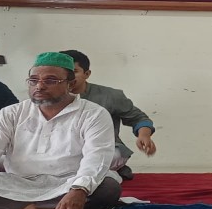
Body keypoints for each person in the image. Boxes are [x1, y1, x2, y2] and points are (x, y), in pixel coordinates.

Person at [0, 52, 120, 209]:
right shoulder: (11, 113)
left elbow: (96, 156)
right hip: (19, 183)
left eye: (50, 81)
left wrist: (79, 189)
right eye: (33, 80)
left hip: (68, 183)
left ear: (71, 83)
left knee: (107, 189)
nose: (39, 86)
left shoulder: (94, 114)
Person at [59, 50, 156, 180]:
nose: (68, 77)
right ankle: (104, 175)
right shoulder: (46, 97)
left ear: (87, 74)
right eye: (62, 72)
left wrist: (144, 135)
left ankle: (94, 175)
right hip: (63, 152)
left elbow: (138, 118)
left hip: (105, 149)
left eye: (74, 72)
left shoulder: (109, 96)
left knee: (107, 157)